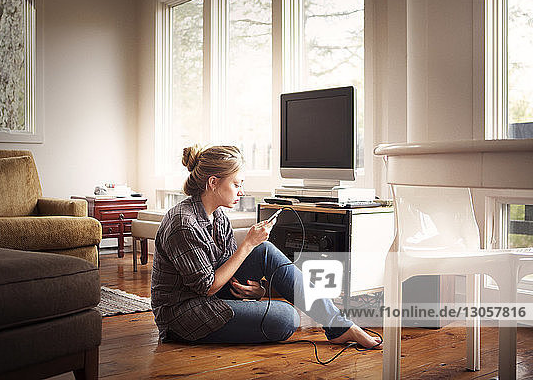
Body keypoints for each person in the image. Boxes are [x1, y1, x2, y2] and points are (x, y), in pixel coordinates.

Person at [150, 144, 381, 347]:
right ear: (213, 182)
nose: (241, 191)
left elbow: (231, 269)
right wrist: (247, 244)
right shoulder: (183, 223)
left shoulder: (217, 216)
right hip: (185, 313)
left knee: (265, 251)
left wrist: (258, 291)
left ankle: (339, 326)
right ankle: (339, 326)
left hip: (210, 294)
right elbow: (207, 287)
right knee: (286, 318)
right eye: (236, 184)